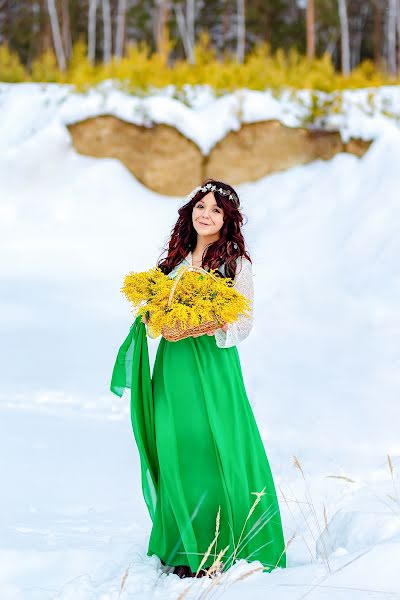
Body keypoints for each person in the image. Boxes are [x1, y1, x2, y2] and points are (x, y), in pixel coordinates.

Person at [110, 178, 286, 580]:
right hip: (174, 367)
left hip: (213, 365)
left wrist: (201, 324)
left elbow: (242, 322)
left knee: (215, 447)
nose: (205, 215)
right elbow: (154, 318)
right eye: (201, 207)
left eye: (216, 210)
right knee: (177, 447)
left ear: (228, 219)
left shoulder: (235, 263)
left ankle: (222, 546)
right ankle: (183, 546)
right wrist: (160, 321)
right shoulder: (173, 259)